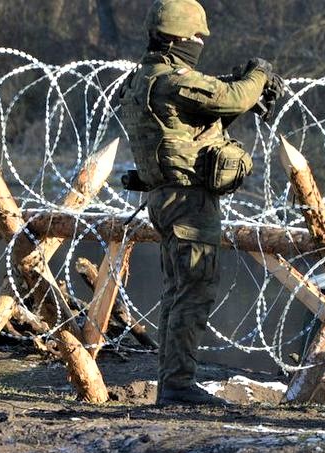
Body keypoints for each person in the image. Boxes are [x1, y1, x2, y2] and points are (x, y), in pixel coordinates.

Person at [121, 0, 274, 405]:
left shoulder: (142, 80)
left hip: (164, 198)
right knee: (194, 290)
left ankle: (173, 382)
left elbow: (194, 118)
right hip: (188, 202)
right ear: (176, 37)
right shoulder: (172, 80)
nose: (200, 42)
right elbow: (232, 97)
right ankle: (177, 386)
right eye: (195, 36)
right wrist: (259, 73)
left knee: (177, 291)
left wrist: (238, 88)